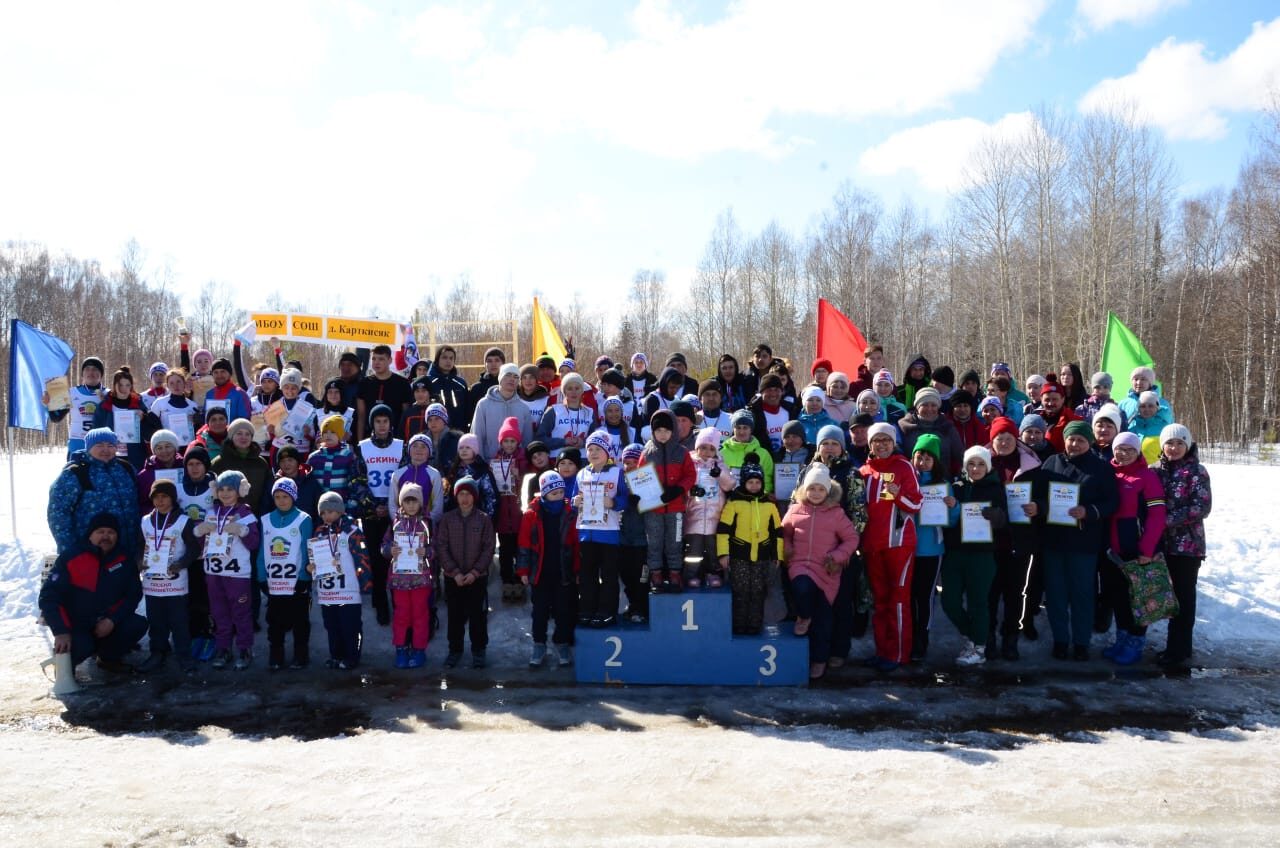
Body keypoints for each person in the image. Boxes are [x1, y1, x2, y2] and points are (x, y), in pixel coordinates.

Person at [1036, 421, 1119, 660]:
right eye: (1071, 439)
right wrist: (1039, 507)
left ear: (1089, 442)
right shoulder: (1051, 463)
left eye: (1081, 440)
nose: (1075, 444)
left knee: (1082, 593)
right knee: (1056, 593)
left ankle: (1082, 642)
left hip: (1084, 542)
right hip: (1054, 540)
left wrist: (1088, 511)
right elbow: (1039, 495)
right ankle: (1060, 640)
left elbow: (1111, 502)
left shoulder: (1100, 468)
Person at [39, 512, 148, 674]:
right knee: (81, 646)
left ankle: (108, 659)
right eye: (100, 532)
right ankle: (65, 669)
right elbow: (49, 596)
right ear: (90, 534)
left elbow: (133, 595)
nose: (106, 536)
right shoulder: (71, 556)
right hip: (76, 625)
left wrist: (112, 620)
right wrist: (61, 631)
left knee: (137, 624)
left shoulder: (124, 560)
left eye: (111, 532)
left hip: (107, 622)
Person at [782, 464, 859, 680]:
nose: (816, 493)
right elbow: (784, 532)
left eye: (820, 489)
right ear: (804, 489)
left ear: (828, 492)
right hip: (799, 564)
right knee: (802, 587)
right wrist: (787, 547)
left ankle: (819, 659)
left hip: (826, 570)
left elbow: (852, 539)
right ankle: (804, 616)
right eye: (812, 488)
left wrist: (837, 556)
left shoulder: (836, 514)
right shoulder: (795, 510)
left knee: (824, 619)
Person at [859, 422, 923, 671]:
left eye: (886, 440)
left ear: (893, 442)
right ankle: (882, 651)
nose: (881, 445)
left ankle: (898, 654)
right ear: (870, 444)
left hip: (899, 544)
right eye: (877, 440)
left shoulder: (903, 466)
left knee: (898, 599)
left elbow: (916, 504)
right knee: (880, 600)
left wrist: (898, 495)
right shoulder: (864, 470)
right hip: (872, 546)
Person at [1100, 432, 1168, 666]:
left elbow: (1157, 515)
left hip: (1137, 549)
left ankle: (1135, 643)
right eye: (1120, 449)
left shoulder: (1147, 477)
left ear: (1138, 452)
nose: (1124, 454)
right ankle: (1122, 639)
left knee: (1139, 599)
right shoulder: (1109, 472)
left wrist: (1147, 550)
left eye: (1130, 450)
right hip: (1112, 550)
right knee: (1119, 597)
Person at [941, 446, 1008, 666]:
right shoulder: (956, 487)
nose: (975, 468)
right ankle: (972, 635)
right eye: (971, 464)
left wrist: (997, 516)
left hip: (982, 554)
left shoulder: (996, 489)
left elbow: (1006, 520)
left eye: (980, 464)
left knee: (978, 602)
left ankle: (978, 648)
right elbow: (945, 519)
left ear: (987, 467)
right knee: (949, 601)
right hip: (955, 552)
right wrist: (950, 507)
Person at [1155, 423, 1212, 669]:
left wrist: (1165, 520)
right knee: (1167, 597)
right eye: (1169, 443)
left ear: (1187, 445)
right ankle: (1175, 646)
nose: (1174, 448)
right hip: (1161, 545)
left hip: (1187, 546)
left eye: (1180, 443)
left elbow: (1202, 506)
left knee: (1184, 598)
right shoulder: (1156, 471)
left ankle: (1178, 650)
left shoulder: (1197, 471)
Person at [193, 470, 260, 670]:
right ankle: (223, 648)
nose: (225, 493)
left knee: (241, 613)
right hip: (214, 572)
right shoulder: (211, 513)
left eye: (230, 489)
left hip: (237, 574)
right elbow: (202, 544)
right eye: (221, 489)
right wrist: (199, 532)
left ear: (240, 490)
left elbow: (254, 543)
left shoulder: (246, 514)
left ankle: (245, 649)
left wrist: (243, 531)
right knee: (219, 613)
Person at [988, 417, 1042, 659]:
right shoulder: (981, 462)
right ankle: (988, 635)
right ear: (992, 440)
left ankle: (1011, 637)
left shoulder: (1030, 466)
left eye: (1008, 438)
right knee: (989, 593)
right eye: (999, 438)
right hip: (988, 541)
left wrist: (1037, 506)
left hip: (1019, 540)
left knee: (1015, 592)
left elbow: (1043, 497)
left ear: (1016, 439)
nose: (1004, 442)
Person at [135, 479, 200, 673]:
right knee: (156, 621)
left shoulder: (183, 521)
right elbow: (139, 546)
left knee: (179, 621)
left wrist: (181, 563)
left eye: (164, 496)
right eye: (156, 497)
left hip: (175, 582)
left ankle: (184, 655)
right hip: (153, 583)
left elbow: (194, 549)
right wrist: (139, 561)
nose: (160, 501)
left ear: (172, 498)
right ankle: (158, 653)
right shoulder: (145, 521)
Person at [48, 427, 142, 559]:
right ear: (88, 447)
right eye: (99, 445)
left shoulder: (126, 468)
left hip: (128, 550)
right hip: (90, 554)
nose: (105, 450)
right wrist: (70, 552)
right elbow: (58, 515)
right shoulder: (75, 473)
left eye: (110, 445)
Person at [717, 453, 783, 635]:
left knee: (758, 591)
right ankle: (738, 624)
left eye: (757, 482)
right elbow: (723, 530)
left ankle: (755, 625)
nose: (754, 486)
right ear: (743, 483)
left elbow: (777, 532)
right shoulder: (734, 503)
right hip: (739, 555)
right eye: (750, 482)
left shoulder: (769, 505)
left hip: (762, 556)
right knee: (741, 590)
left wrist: (777, 555)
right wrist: (723, 554)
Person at [518, 471, 580, 667]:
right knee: (540, 612)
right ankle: (539, 643)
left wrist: (577, 570)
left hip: (563, 571)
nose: (559, 496)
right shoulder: (531, 514)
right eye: (554, 493)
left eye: (561, 492)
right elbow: (524, 544)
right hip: (540, 573)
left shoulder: (570, 513)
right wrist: (523, 570)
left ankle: (561, 642)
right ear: (544, 493)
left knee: (563, 610)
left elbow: (576, 545)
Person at [573, 431, 631, 627]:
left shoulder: (617, 472)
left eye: (598, 449)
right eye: (590, 449)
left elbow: (625, 499)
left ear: (607, 452)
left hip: (608, 533)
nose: (594, 453)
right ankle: (587, 609)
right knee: (587, 575)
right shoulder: (581, 473)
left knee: (608, 576)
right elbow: (573, 498)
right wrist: (575, 501)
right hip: (586, 533)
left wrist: (613, 502)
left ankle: (607, 612)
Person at [255, 477, 313, 671]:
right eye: (277, 497)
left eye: (285, 496)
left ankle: (301, 654)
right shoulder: (265, 520)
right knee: (274, 621)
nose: (281, 500)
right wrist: (261, 577)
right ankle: (276, 654)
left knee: (300, 621)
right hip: (274, 582)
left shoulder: (303, 519)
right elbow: (262, 551)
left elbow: (306, 550)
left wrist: (304, 577)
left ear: (293, 497)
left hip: (296, 582)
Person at [310, 490, 372, 670]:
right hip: (328, 591)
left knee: (350, 626)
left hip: (348, 590)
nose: (326, 516)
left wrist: (366, 583)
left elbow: (362, 558)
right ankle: (336, 655)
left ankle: (352, 657)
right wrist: (312, 568)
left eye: (330, 511)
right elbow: (315, 559)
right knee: (332, 625)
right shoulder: (319, 532)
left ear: (340, 511)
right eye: (323, 513)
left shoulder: (352, 531)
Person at [437, 476, 495, 669]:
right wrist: (454, 572)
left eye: (468, 494)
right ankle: (455, 650)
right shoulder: (447, 519)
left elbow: (488, 548)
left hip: (476, 578)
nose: (464, 498)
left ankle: (479, 651)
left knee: (478, 616)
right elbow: (441, 547)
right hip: (453, 578)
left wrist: (475, 572)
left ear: (474, 496)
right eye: (461, 494)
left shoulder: (483, 519)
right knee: (455, 616)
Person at [355, 403, 405, 626]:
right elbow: (357, 480)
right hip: (372, 513)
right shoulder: (363, 447)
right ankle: (380, 604)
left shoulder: (401, 446)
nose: (382, 425)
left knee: (397, 558)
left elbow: (405, 479)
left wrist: (392, 504)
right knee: (376, 561)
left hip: (397, 511)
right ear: (372, 424)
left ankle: (398, 603)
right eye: (378, 421)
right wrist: (373, 505)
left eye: (385, 421)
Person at [641, 409, 697, 592]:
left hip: (675, 507)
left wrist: (678, 489)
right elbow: (640, 476)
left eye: (666, 430)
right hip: (653, 509)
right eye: (658, 431)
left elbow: (690, 475)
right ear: (653, 432)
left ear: (673, 430)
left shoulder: (682, 452)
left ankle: (675, 574)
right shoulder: (647, 453)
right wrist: (640, 494)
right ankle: (656, 574)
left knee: (675, 541)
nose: (663, 434)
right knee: (654, 542)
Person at [381, 483, 433, 669]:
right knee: (401, 616)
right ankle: (401, 649)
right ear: (401, 503)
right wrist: (390, 550)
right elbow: (384, 546)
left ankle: (419, 650)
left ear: (420, 503)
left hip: (421, 579)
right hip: (399, 580)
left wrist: (426, 552)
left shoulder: (427, 523)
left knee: (420, 615)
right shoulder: (394, 523)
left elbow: (436, 547)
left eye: (414, 501)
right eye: (407, 501)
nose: (411, 506)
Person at [909, 434, 946, 662]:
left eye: (928, 459)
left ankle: (922, 637)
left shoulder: (943, 485)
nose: (922, 462)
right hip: (906, 548)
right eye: (919, 457)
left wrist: (952, 507)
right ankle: (910, 635)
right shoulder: (906, 480)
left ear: (936, 461)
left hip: (931, 549)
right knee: (909, 595)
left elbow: (952, 521)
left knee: (925, 596)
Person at [684, 427, 735, 588]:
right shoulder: (690, 463)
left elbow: (730, 485)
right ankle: (692, 574)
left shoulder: (720, 464)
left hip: (715, 516)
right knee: (694, 550)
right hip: (695, 516)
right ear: (697, 447)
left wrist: (720, 474)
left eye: (711, 449)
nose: (707, 452)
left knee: (713, 549)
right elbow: (683, 484)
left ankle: (714, 573)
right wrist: (691, 491)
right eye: (703, 447)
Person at [491, 417, 529, 601]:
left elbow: (527, 485)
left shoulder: (523, 460)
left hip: (518, 514)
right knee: (505, 550)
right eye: (505, 441)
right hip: (503, 515)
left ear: (518, 442)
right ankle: (506, 581)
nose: (509, 444)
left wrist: (518, 476)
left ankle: (519, 580)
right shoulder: (495, 461)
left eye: (512, 441)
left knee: (520, 549)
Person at [92, 366, 161, 469]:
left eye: (127, 385)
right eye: (120, 385)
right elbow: (95, 432)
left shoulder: (138, 404)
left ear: (131, 386)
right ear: (114, 385)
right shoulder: (104, 406)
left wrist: (143, 418)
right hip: (110, 457)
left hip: (135, 457)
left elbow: (151, 434)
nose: (124, 389)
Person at [46, 356, 107, 457]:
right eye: (87, 369)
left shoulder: (109, 394)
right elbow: (56, 417)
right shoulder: (71, 392)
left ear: (101, 374)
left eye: (95, 369)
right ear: (82, 374)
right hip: (77, 448)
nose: (91, 372)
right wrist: (49, 403)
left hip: (102, 448)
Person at [898, 387, 964, 476]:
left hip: (942, 480)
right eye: (925, 405)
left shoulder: (947, 427)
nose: (929, 409)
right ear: (917, 407)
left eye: (933, 405)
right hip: (911, 479)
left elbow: (960, 455)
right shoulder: (904, 427)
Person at [472, 363, 533, 458]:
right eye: (508, 375)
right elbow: (477, 435)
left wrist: (523, 463)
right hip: (489, 462)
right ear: (500, 377)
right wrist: (480, 462)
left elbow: (527, 440)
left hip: (516, 464)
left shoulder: (524, 408)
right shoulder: (484, 404)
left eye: (516, 377)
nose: (512, 379)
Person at [356, 344, 413, 442]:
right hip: (369, 439)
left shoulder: (402, 383)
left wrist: (404, 441)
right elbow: (361, 416)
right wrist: (360, 442)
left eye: (381, 359)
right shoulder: (364, 383)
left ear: (390, 360)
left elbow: (406, 415)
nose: (376, 362)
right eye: (374, 359)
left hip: (395, 438)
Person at [538, 373, 598, 459]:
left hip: (583, 460)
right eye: (569, 389)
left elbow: (595, 439)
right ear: (564, 391)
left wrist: (583, 442)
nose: (574, 392)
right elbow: (541, 439)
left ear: (582, 390)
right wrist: (564, 442)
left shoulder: (589, 412)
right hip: (558, 459)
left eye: (577, 388)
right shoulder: (553, 411)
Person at [424, 345, 471, 429]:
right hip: (435, 431)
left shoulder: (461, 383)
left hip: (458, 431)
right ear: (437, 360)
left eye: (451, 358)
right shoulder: (428, 382)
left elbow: (467, 410)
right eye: (444, 357)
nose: (448, 361)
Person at [1117, 366, 1173, 431]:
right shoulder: (1124, 403)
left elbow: (1170, 423)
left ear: (1150, 383)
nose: (1139, 382)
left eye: (1143, 379)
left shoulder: (1162, 403)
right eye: (1136, 379)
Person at [467, 346, 507, 425]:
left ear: (503, 363)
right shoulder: (476, 389)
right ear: (485, 364)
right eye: (489, 361)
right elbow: (470, 416)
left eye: (497, 360)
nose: (493, 364)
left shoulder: (510, 386)